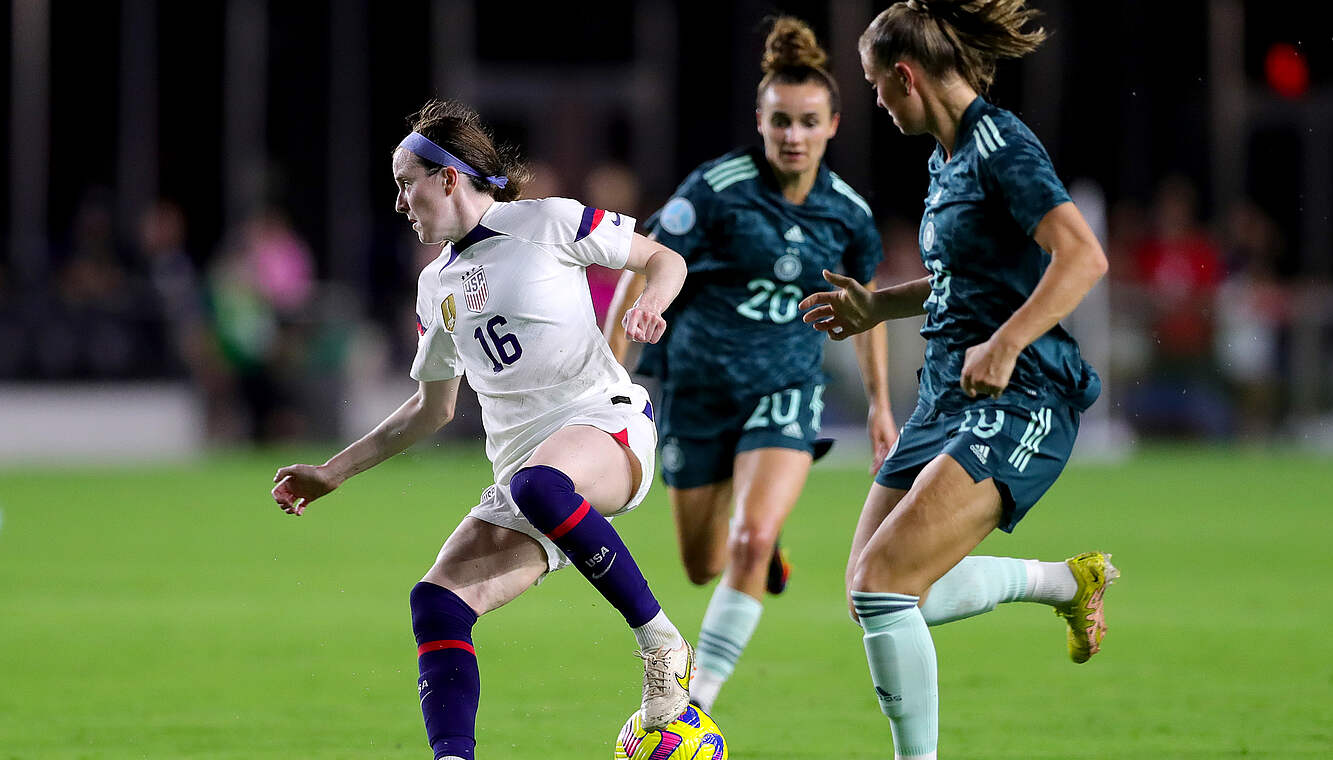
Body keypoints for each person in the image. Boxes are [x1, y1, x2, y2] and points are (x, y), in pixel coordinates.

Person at [271, 99, 694, 760]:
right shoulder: (434, 284)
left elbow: (664, 260)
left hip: (607, 429)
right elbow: (431, 409)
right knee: (437, 602)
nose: (400, 202)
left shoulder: (548, 221)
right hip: (531, 478)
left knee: (540, 485)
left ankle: (661, 642)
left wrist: (649, 305)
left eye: (406, 183)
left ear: (447, 178)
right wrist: (332, 471)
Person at [799, 3, 1119, 757]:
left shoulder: (1002, 146)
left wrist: (1007, 343)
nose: (877, 102)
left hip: (1021, 397)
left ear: (906, 76)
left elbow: (1083, 257)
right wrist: (881, 306)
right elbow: (959, 279)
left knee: (884, 584)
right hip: (945, 397)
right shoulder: (947, 159)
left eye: (878, 86)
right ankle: (1067, 584)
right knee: (870, 591)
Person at [606, 17, 897, 712]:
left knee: (751, 533)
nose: (793, 135)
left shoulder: (848, 216)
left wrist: (883, 403)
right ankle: (761, 556)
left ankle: (696, 704)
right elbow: (635, 267)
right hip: (698, 393)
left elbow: (866, 309)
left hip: (785, 389)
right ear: (760, 122)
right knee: (702, 565)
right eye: (780, 122)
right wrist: (608, 378)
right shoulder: (715, 189)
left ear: (831, 126)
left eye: (807, 122)